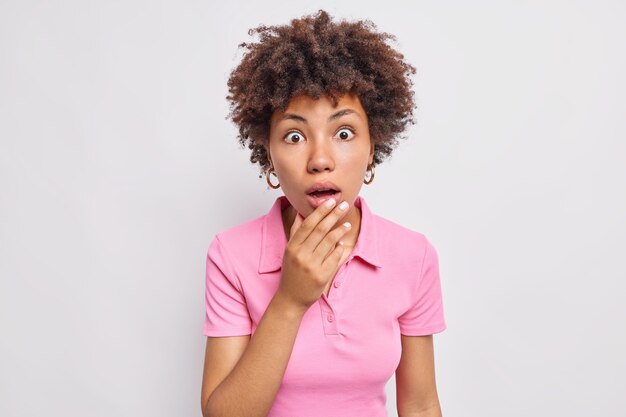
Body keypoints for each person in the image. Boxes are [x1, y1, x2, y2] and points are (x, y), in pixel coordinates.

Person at [200, 10, 446, 417]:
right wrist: (290, 300)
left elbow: (420, 405)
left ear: (373, 146)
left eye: (344, 133)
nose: (320, 160)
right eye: (294, 136)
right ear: (269, 155)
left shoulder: (413, 256)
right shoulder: (231, 255)